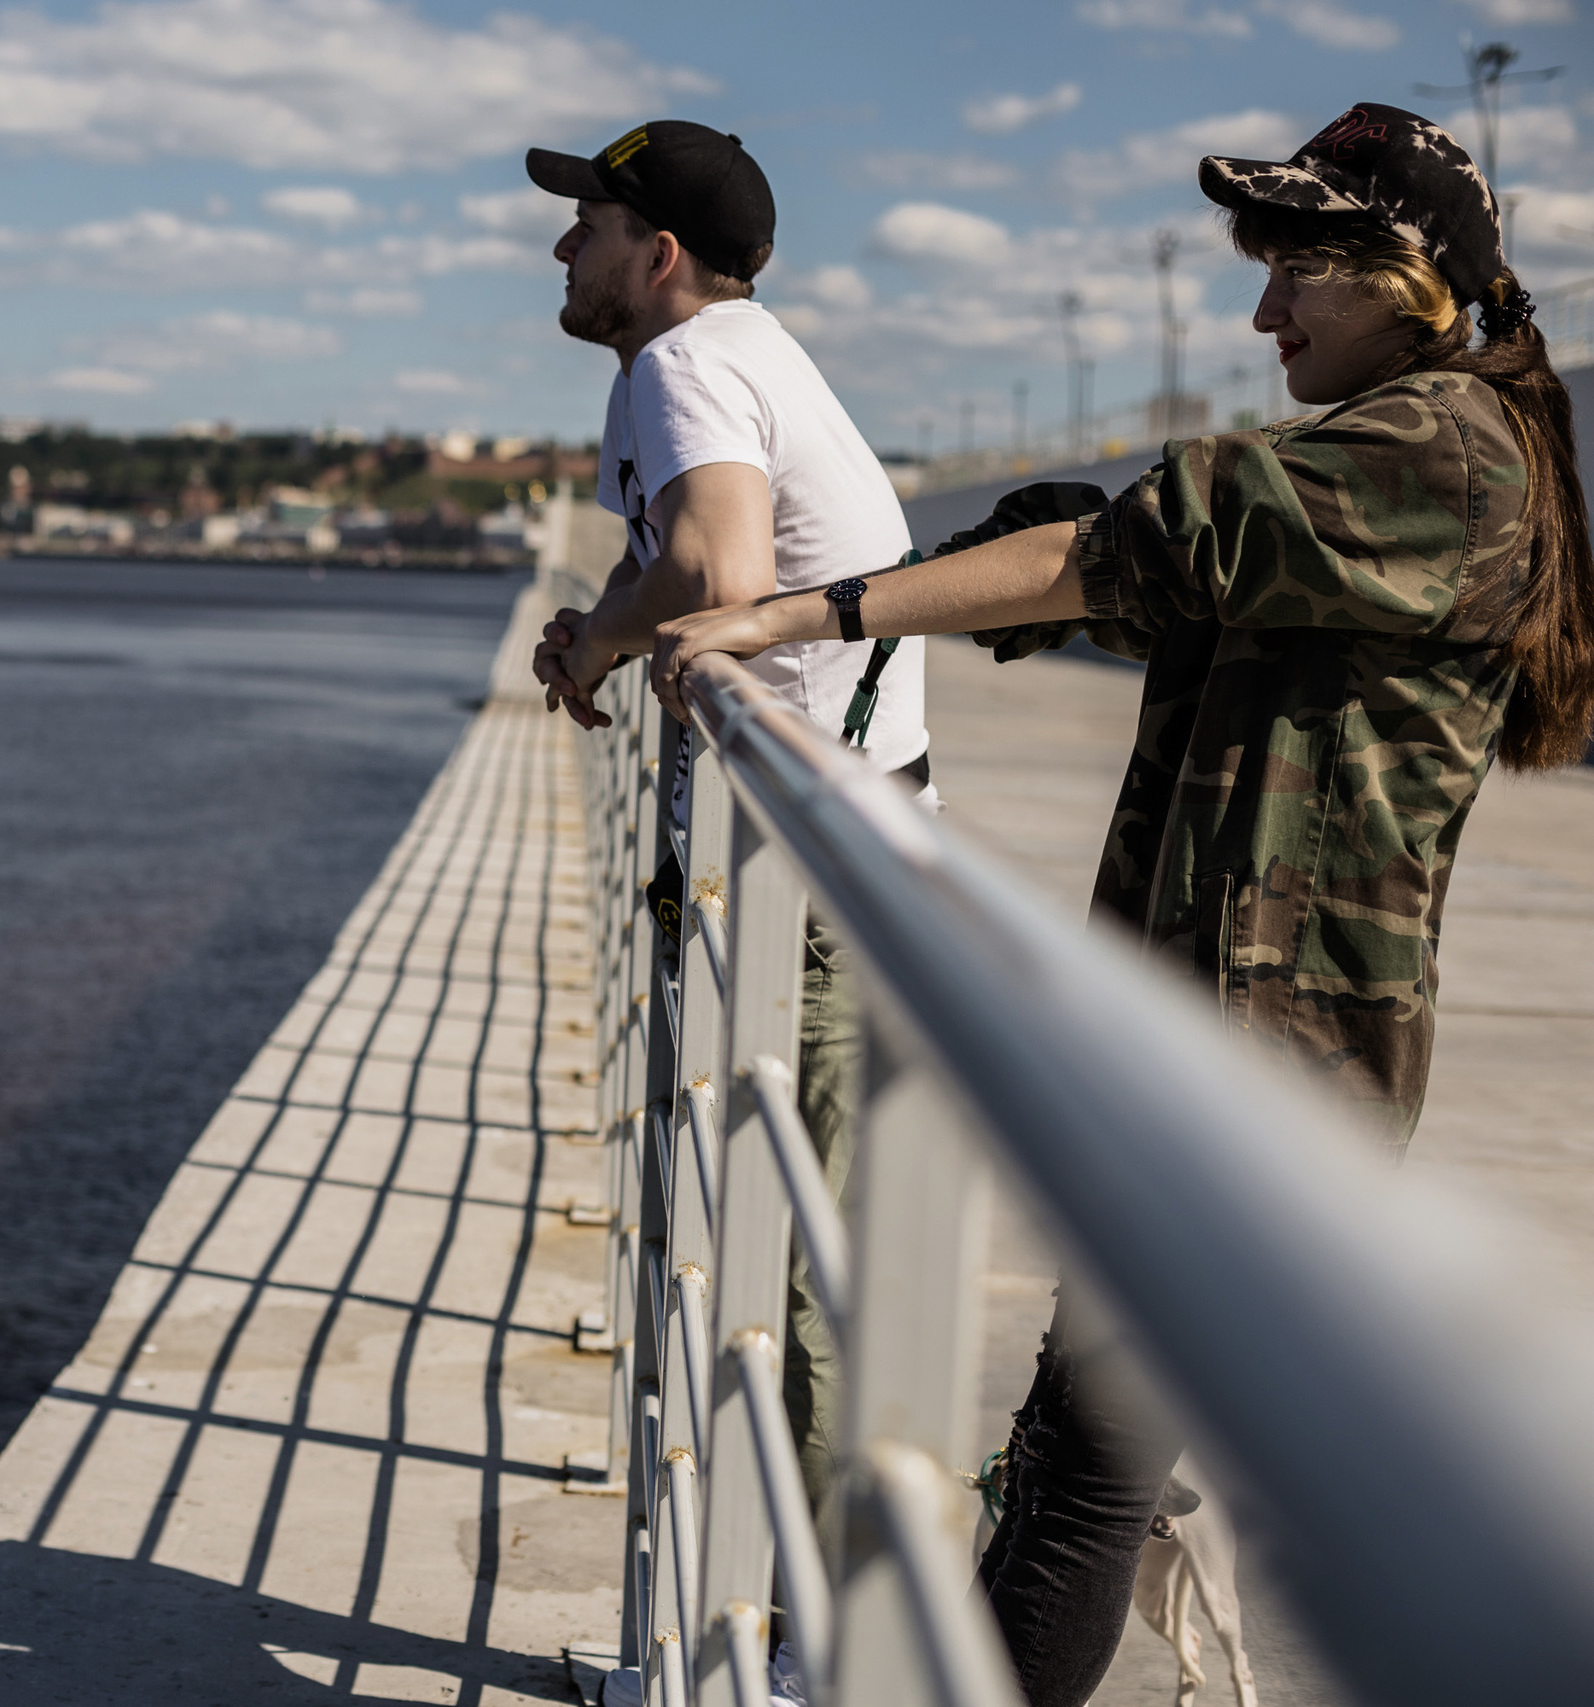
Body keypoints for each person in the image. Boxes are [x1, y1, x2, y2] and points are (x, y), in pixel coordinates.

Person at [647, 103, 1591, 1706]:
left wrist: (800, 617)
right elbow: (1144, 575)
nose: (1264, 311)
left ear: (1406, 277)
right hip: (1232, 1025)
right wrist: (1020, 556)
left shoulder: (1441, 447)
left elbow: (1143, 548)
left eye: (1296, 269)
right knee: (1078, 1462)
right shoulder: (1397, 444)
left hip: (1280, 1049)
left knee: (1082, 1480)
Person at [520, 119, 927, 1705]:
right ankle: (757, 1639)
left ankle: (815, 1662)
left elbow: (714, 568)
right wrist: (607, 630)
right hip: (836, 846)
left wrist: (602, 639)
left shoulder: (683, 365)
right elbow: (695, 575)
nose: (566, 249)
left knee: (787, 1274)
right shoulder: (736, 354)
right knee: (771, 1253)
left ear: (662, 255)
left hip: (807, 874)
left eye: (591, 224)